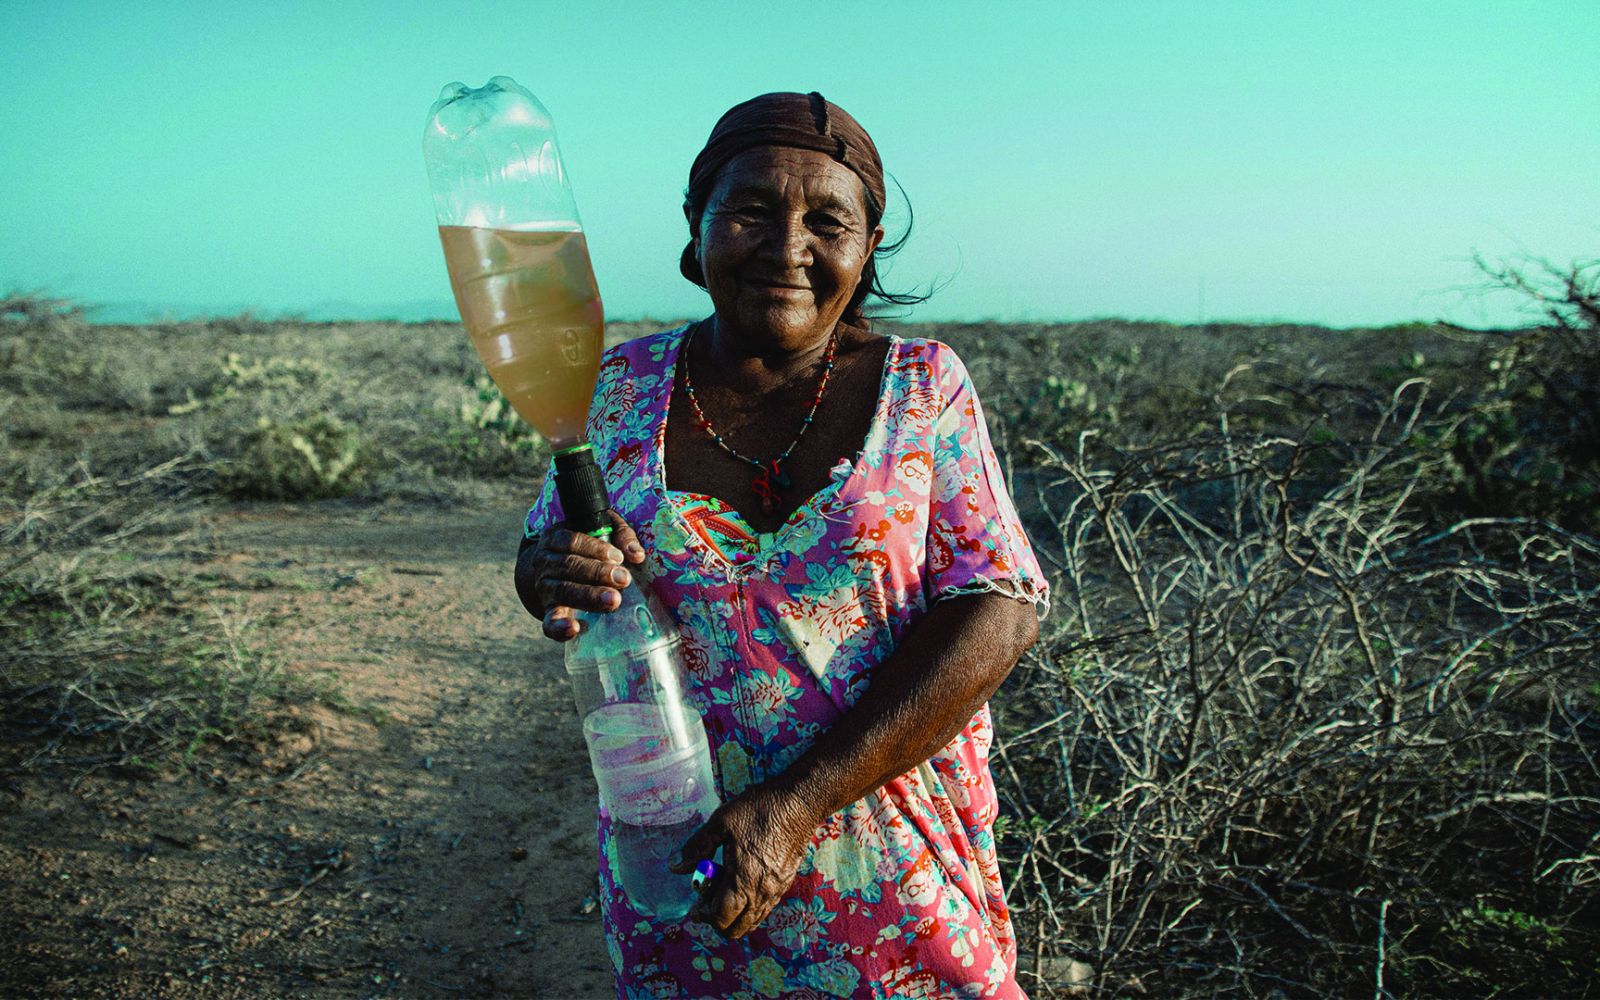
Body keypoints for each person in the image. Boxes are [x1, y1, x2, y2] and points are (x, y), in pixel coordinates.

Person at [515, 91, 1048, 999]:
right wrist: (546, 573)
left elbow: (999, 609)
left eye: (826, 220)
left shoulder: (925, 391)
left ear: (867, 246)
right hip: (684, 871)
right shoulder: (617, 391)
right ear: (697, 226)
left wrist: (800, 804)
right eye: (752, 211)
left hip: (896, 886)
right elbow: (551, 558)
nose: (787, 246)